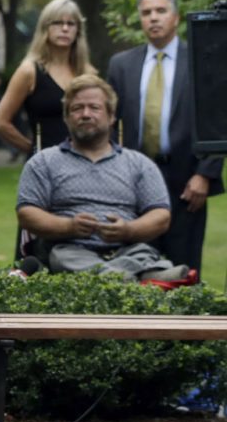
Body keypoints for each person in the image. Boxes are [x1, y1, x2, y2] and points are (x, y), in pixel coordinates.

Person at [16, 74, 188, 280]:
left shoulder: (139, 164)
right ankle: (143, 276)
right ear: (66, 117)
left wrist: (128, 230)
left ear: (111, 115)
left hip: (128, 248)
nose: (85, 114)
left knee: (142, 253)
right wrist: (68, 226)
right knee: (64, 257)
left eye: (94, 108)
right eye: (77, 108)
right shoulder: (43, 162)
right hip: (69, 249)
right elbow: (27, 212)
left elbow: (161, 215)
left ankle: (127, 274)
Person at [107, 0, 224, 277]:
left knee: (185, 269)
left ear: (176, 17)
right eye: (146, 13)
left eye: (161, 11)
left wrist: (205, 173)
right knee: (137, 267)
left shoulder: (200, 58)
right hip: (135, 181)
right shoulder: (122, 65)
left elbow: (218, 116)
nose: (153, 18)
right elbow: (109, 124)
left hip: (187, 180)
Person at [0, 0, 95, 156]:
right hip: (45, 168)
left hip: (85, 163)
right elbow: (0, 123)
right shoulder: (29, 71)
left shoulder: (88, 73)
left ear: (78, 31)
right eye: (57, 23)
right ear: (45, 28)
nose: (65, 28)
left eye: (71, 23)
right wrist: (32, 150)